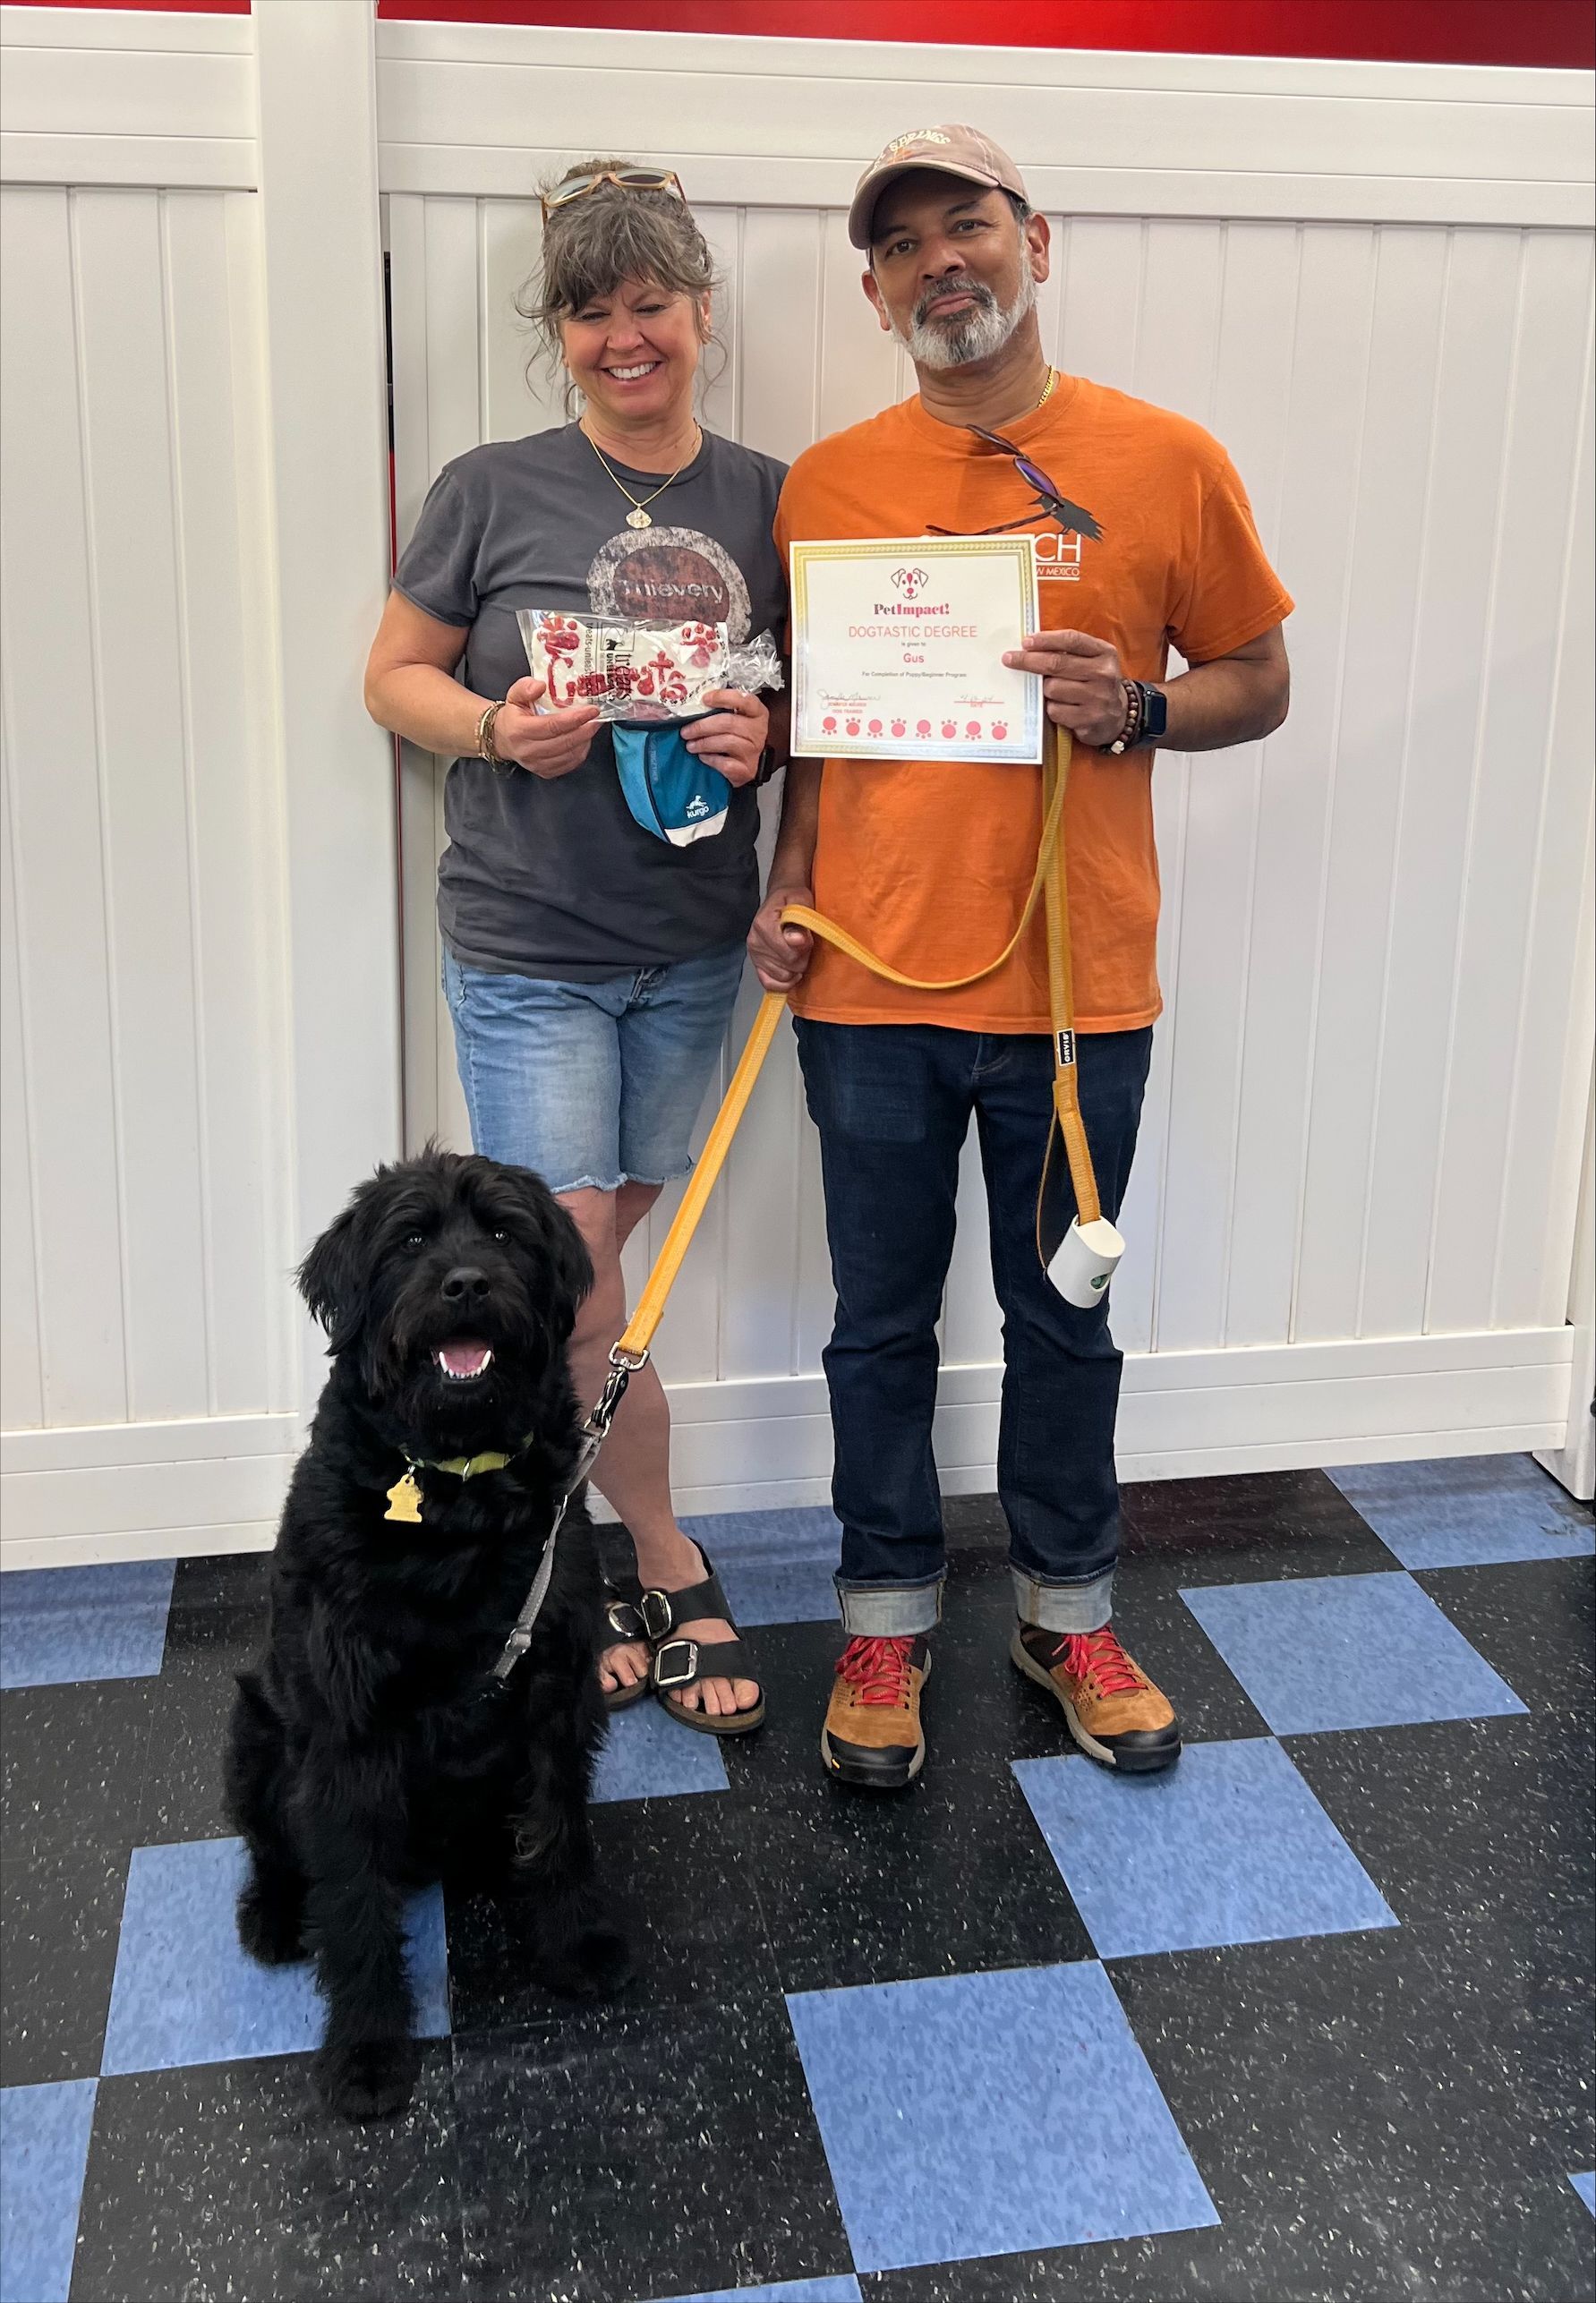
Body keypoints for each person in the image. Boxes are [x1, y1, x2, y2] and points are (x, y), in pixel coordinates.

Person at [750, 126, 1293, 1790]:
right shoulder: (824, 484)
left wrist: (1132, 705)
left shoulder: (1166, 458)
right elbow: (819, 739)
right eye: (903, 246)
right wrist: (783, 887)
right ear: (872, 286)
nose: (941, 264)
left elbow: (1258, 680)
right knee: (878, 1328)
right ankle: (886, 1623)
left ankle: (1068, 1617)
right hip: (864, 990)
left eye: (966, 226)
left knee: (1064, 1324)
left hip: (1075, 994)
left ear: (1035, 241)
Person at [366, 161, 786, 1733]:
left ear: (697, 313)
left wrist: (767, 731)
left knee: (605, 1276)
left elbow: (810, 699)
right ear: (560, 331)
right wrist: (494, 727)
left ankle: (568, 1545)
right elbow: (391, 675)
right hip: (530, 946)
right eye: (593, 310)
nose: (627, 337)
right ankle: (645, 1556)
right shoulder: (488, 485)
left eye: (652, 305)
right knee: (581, 1292)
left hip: (693, 950)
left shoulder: (764, 491)